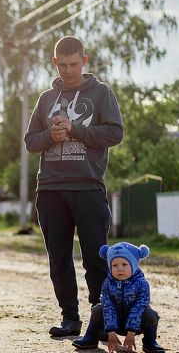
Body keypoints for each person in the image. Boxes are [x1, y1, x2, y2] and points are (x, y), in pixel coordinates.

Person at [24, 36, 124, 337]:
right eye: (62, 64)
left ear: (85, 60)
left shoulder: (101, 93)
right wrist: (50, 137)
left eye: (74, 64)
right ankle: (70, 318)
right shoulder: (44, 99)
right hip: (50, 188)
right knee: (59, 258)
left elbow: (114, 133)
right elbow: (31, 142)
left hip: (88, 186)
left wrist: (75, 129)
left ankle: (101, 317)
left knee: (96, 255)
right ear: (54, 63)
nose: (68, 70)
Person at [72, 242, 166, 353]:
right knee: (97, 309)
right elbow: (107, 305)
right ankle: (91, 338)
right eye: (114, 265)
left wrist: (131, 332)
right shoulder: (108, 283)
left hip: (136, 325)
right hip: (114, 323)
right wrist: (111, 333)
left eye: (124, 264)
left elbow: (139, 306)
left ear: (134, 265)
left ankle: (150, 342)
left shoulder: (142, 283)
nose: (119, 269)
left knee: (151, 314)